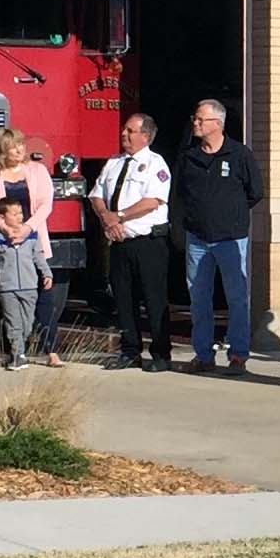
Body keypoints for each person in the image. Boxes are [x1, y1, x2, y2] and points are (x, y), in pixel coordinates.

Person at [171, 99, 264, 377]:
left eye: (200, 119)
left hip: (231, 239)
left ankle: (237, 355)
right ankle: (203, 355)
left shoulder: (239, 155)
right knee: (199, 299)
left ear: (217, 124)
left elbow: (255, 192)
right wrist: (182, 228)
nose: (195, 123)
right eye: (195, 119)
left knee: (237, 298)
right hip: (197, 239)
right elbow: (178, 195)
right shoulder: (188, 157)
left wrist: (232, 215)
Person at [90, 113, 174, 372]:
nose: (124, 135)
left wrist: (121, 216)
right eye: (124, 130)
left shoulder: (155, 164)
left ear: (145, 136)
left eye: (130, 131)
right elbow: (96, 194)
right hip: (119, 240)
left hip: (148, 242)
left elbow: (153, 201)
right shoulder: (114, 162)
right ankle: (129, 351)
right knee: (124, 299)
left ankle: (161, 354)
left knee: (153, 298)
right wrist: (107, 219)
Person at [0, 127, 60, 368]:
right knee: (6, 299)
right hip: (2, 244)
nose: (19, 149)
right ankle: (13, 351)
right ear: (1, 151)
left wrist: (28, 227)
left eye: (21, 144)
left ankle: (51, 351)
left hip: (33, 240)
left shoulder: (37, 170)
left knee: (43, 296)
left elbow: (46, 203)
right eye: (13, 146)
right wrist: (3, 228)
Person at [0, 198, 51, 370]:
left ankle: (20, 348)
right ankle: (17, 355)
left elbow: (39, 257)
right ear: (2, 217)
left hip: (29, 286)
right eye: (14, 214)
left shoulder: (32, 236)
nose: (19, 217)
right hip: (7, 287)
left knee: (27, 324)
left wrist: (46, 273)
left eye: (21, 213)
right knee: (13, 323)